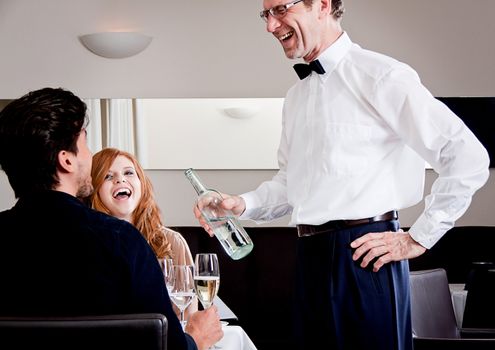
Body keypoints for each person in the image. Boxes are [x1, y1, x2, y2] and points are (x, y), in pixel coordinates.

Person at [193, 1, 490, 350]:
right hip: (309, 258)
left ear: (321, 4)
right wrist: (239, 204)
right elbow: (292, 185)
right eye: (265, 14)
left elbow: (468, 156)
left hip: (367, 258)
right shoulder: (295, 98)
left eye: (279, 10)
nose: (270, 26)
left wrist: (418, 237)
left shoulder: (381, 75)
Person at [0, 87, 222, 350]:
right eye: (84, 145)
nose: (90, 156)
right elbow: (168, 347)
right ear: (66, 161)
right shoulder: (122, 241)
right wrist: (196, 338)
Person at [89, 147, 198, 319]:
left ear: (142, 184)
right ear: (94, 189)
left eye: (129, 173)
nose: (120, 180)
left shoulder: (172, 241)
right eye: (108, 176)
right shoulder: (87, 245)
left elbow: (189, 316)